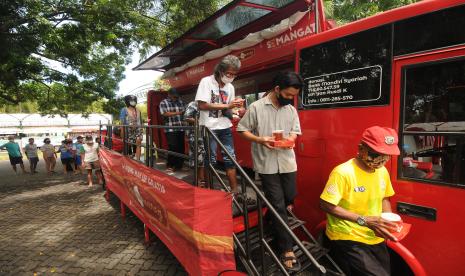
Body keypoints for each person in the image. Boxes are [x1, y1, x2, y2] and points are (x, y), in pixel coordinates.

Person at [237, 71, 303, 271]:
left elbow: (295, 132)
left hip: (287, 162)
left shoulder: (291, 110)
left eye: (293, 96)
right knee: (278, 205)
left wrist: (291, 140)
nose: (291, 99)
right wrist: (260, 140)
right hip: (266, 165)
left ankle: (269, 222)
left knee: (289, 198)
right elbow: (242, 129)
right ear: (277, 89)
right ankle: (286, 249)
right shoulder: (256, 107)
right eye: (288, 95)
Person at [319, 126, 401, 276]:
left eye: (387, 155)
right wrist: (364, 220)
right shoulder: (343, 172)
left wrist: (388, 220)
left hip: (374, 234)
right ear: (361, 149)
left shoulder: (382, 171)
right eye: (377, 154)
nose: (382, 160)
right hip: (347, 235)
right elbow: (325, 204)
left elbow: (384, 197)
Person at [195, 55, 244, 194]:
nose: (231, 76)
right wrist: (228, 105)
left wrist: (236, 110)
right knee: (209, 158)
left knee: (230, 158)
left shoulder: (230, 87)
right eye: (229, 73)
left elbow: (227, 110)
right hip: (209, 127)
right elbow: (202, 105)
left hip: (225, 126)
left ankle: (234, 190)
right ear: (220, 70)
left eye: (234, 74)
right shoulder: (206, 81)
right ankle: (204, 185)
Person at [159, 88, 186, 173]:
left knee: (181, 147)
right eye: (174, 96)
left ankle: (179, 166)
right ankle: (170, 165)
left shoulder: (180, 102)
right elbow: (164, 113)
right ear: (169, 95)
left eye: (177, 97)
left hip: (181, 128)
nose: (176, 98)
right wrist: (178, 113)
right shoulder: (163, 102)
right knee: (173, 147)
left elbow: (185, 111)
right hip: (170, 129)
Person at [184, 101, 206, 186]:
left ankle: (202, 180)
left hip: (204, 134)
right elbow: (186, 117)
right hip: (195, 134)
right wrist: (201, 122)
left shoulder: (209, 103)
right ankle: (199, 180)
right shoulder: (193, 104)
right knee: (198, 158)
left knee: (203, 157)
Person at [120, 95, 143, 160]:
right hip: (128, 131)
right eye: (132, 100)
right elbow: (122, 122)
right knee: (128, 144)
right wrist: (122, 132)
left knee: (138, 143)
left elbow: (140, 121)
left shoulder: (138, 110)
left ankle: (138, 160)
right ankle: (129, 159)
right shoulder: (124, 110)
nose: (133, 102)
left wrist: (141, 128)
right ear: (127, 101)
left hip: (138, 130)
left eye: (134, 100)